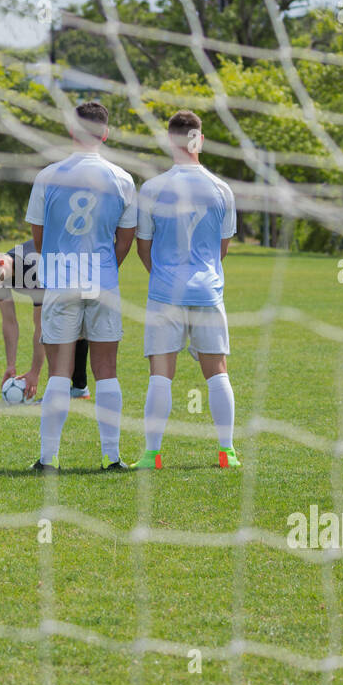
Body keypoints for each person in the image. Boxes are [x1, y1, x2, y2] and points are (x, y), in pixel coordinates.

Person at [25, 101, 137, 472]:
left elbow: (39, 238)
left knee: (60, 370)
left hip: (60, 278)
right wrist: (105, 266)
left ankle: (48, 458)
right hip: (102, 279)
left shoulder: (47, 176)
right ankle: (112, 457)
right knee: (107, 370)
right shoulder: (122, 179)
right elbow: (126, 238)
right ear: (105, 134)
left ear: (72, 131)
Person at [132, 110, 239, 470]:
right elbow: (222, 249)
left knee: (161, 374)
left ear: (170, 141)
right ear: (199, 140)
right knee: (217, 371)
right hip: (208, 293)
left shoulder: (151, 189)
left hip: (165, 294)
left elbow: (142, 247)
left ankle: (152, 454)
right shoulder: (222, 189)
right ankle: (227, 452)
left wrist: (162, 274)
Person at [0, 241, 91, 400]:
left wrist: (35, 372)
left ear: (0, 262)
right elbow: (9, 322)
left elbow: (41, 326)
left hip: (76, 271)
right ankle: (77, 390)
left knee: (67, 330)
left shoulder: (32, 268)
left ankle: (70, 391)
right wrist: (10, 366)